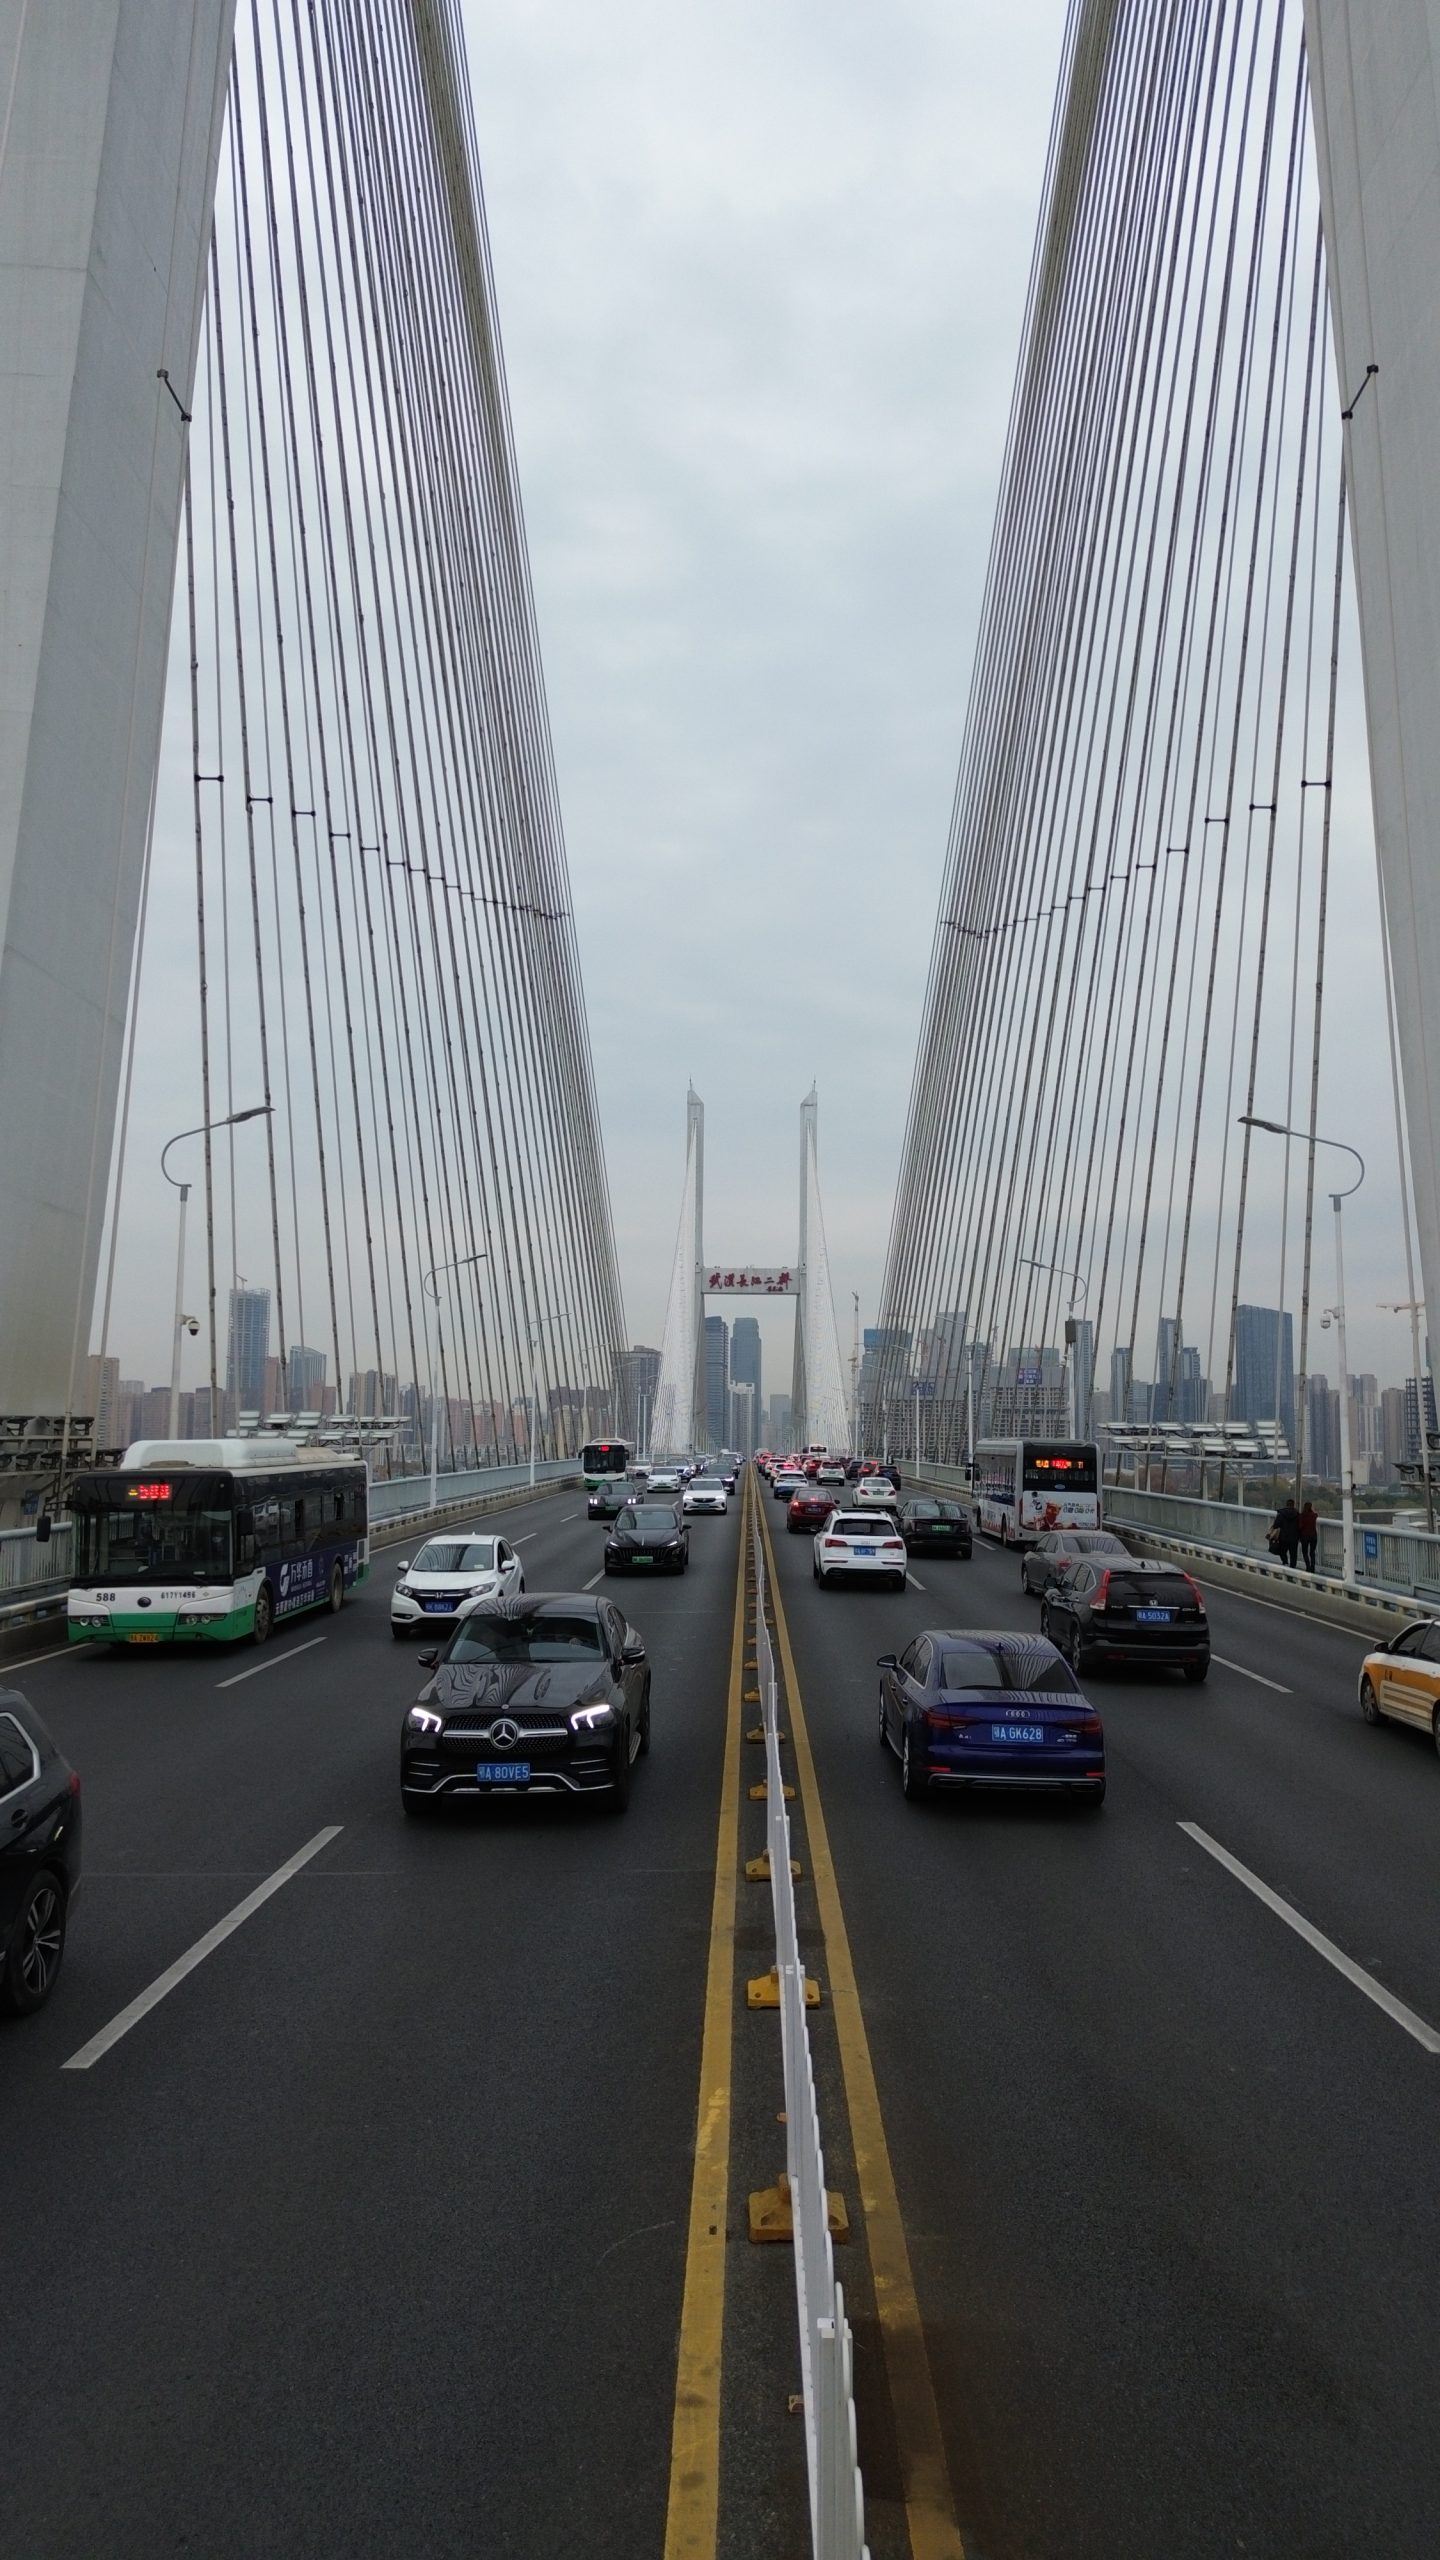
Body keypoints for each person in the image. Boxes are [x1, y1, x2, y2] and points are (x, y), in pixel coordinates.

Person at [1268, 1497, 1301, 1569]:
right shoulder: (1298, 1515)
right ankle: (1293, 1567)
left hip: (1283, 1537)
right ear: (1293, 1505)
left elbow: (1276, 1525)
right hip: (1294, 1537)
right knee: (1293, 1553)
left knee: (1282, 1551)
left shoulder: (1281, 1514)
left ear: (1286, 1505)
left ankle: (1285, 1562)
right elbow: (1300, 1526)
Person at [1298, 1498, 1319, 1574]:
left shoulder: (1301, 1516)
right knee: (1312, 1552)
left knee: (1305, 1552)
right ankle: (1313, 1568)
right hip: (1313, 1536)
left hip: (1304, 1536)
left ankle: (1308, 1566)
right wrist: (1313, 1510)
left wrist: (1299, 1536)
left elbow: (1300, 1526)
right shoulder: (1314, 1515)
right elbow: (1316, 1514)